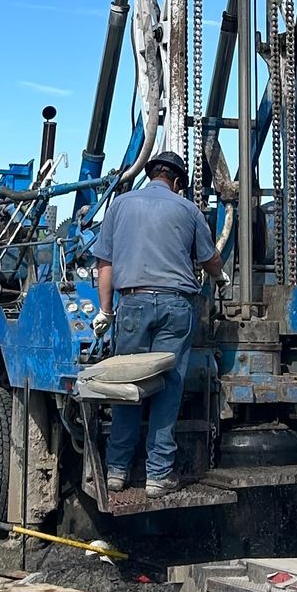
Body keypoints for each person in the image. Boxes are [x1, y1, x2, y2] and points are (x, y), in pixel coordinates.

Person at [91, 150, 221, 495]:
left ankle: (117, 471)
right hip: (176, 307)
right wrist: (220, 277)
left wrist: (106, 310)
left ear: (151, 175)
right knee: (168, 386)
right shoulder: (188, 210)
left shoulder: (119, 205)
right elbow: (210, 260)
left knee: (127, 385)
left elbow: (105, 262)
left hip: (132, 303)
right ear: (178, 182)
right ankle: (157, 476)